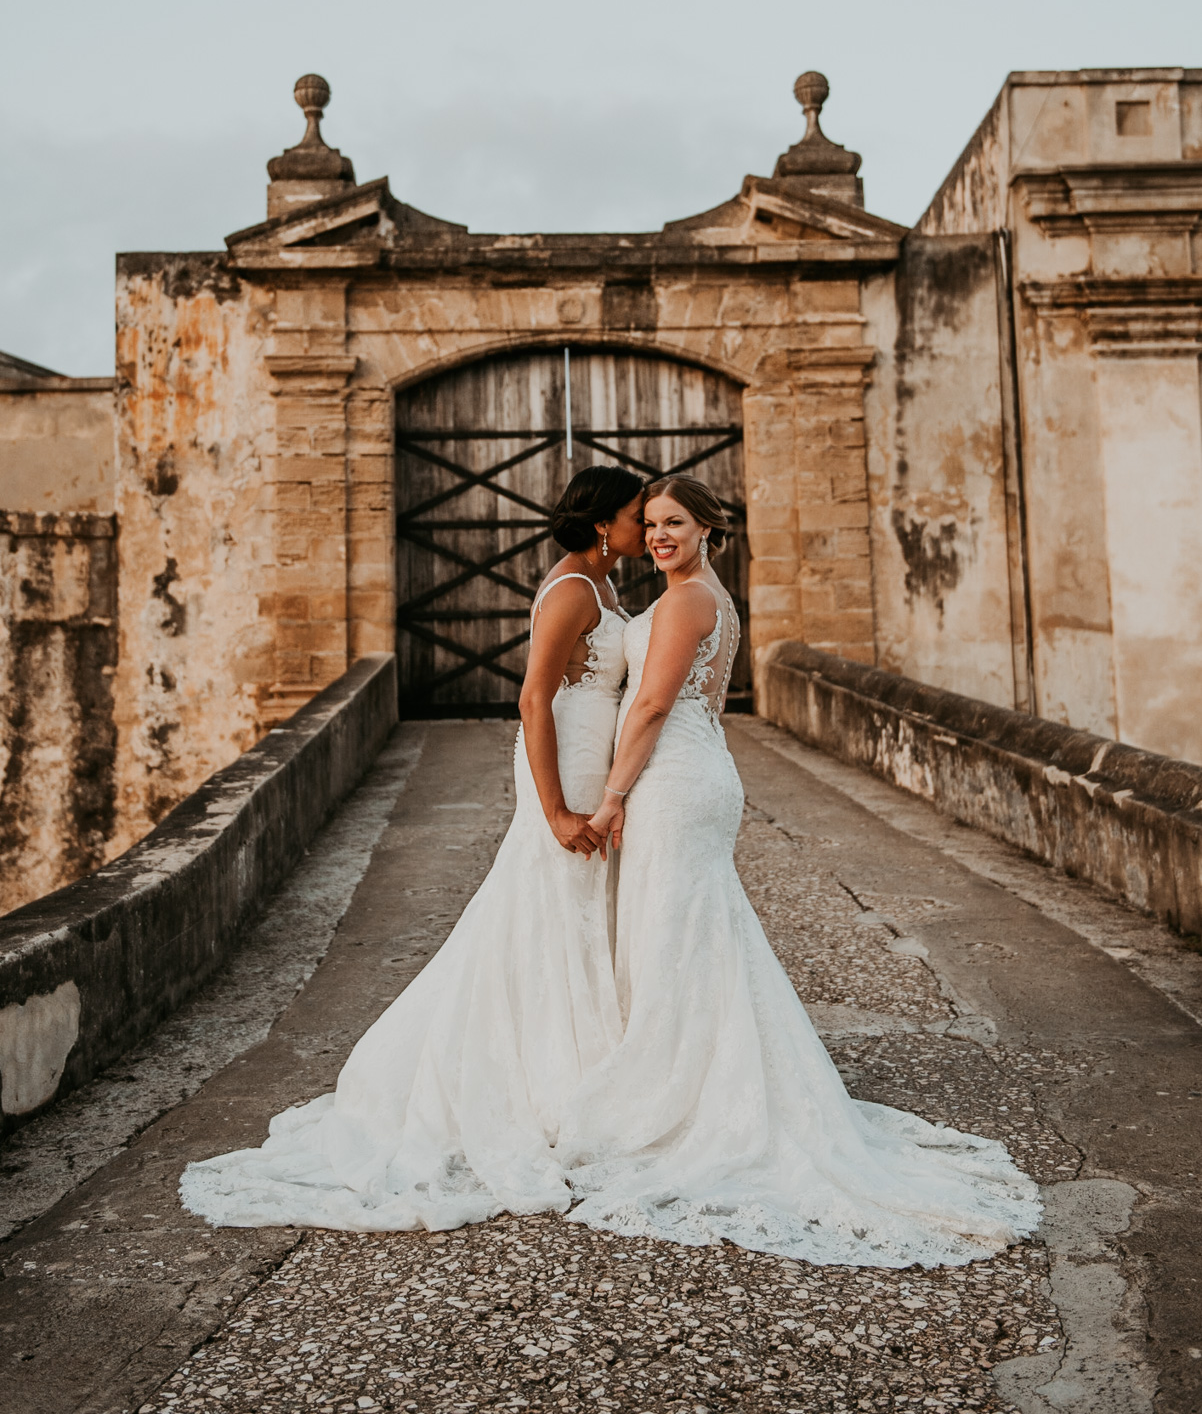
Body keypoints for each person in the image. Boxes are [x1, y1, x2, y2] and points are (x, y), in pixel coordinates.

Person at [561, 475, 1041, 1267]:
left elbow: (649, 708)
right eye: (649, 525)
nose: (657, 537)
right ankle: (705, 1078)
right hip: (694, 775)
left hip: (673, 785)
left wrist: (611, 799)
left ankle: (687, 1100)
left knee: (671, 935)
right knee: (693, 935)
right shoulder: (708, 595)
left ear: (709, 527)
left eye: (673, 523)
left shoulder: (685, 602)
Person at [179, 465, 646, 1232]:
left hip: (594, 751)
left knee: (572, 914)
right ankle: (551, 1079)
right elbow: (532, 696)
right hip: (568, 761)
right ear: (602, 524)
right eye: (634, 514)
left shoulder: (601, 586)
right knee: (552, 906)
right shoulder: (570, 590)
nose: (643, 525)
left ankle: (587, 1064)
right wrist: (556, 806)